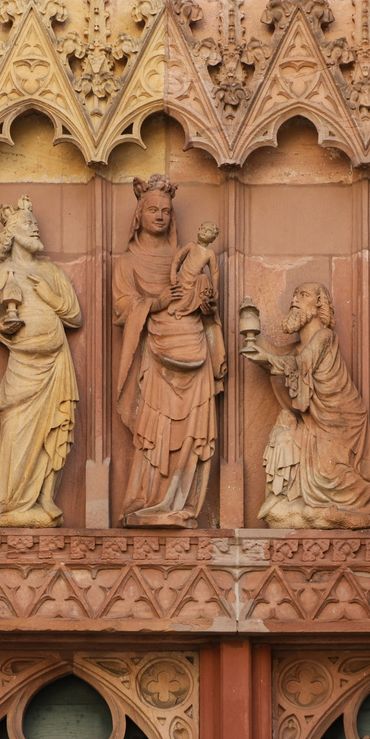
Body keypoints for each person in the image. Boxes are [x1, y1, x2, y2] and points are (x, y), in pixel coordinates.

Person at [112, 175, 227, 527]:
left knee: (193, 431)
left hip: (194, 353)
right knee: (156, 430)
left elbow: (209, 304)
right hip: (158, 358)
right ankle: (149, 502)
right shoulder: (128, 263)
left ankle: (180, 502)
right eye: (152, 210)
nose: (160, 216)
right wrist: (156, 302)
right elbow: (121, 309)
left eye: (165, 210)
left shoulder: (190, 254)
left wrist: (206, 300)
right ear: (139, 214)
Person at [242, 282, 370, 529]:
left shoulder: (324, 337)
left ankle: (360, 505)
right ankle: (298, 502)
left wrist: (267, 358)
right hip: (316, 420)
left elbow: (299, 363)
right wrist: (252, 331)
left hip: (341, 419)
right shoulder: (299, 346)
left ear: (318, 305)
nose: (294, 300)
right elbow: (281, 356)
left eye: (303, 295)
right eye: (294, 295)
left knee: (330, 474)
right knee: (289, 435)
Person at [0, 196, 82, 527]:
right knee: (17, 430)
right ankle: (7, 504)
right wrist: (5, 325)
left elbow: (74, 316)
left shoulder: (50, 271)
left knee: (54, 429)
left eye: (35, 225)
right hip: (23, 365)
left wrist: (49, 297)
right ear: (11, 233)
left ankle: (43, 499)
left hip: (55, 363)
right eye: (27, 224)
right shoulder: (3, 272)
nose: (35, 228)